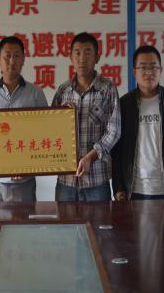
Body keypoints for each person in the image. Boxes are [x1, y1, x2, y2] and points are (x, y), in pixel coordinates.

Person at [0, 36, 48, 202]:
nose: (12, 61)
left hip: (23, 181)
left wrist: (28, 166)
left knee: (23, 220)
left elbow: (44, 133)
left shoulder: (35, 93)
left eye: (16, 55)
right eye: (7, 56)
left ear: (23, 59)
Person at [112, 45, 164, 203]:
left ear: (161, 70)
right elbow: (117, 149)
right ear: (134, 71)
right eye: (143, 67)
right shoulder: (124, 104)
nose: (148, 72)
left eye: (153, 67)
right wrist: (118, 187)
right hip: (134, 188)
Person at [52, 32, 120, 201]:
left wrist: (91, 157)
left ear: (97, 57)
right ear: (70, 57)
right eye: (77, 53)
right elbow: (51, 130)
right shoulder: (63, 91)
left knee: (100, 220)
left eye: (88, 53)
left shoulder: (107, 89)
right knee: (64, 220)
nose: (82, 58)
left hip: (96, 181)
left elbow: (114, 131)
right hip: (66, 181)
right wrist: (61, 119)